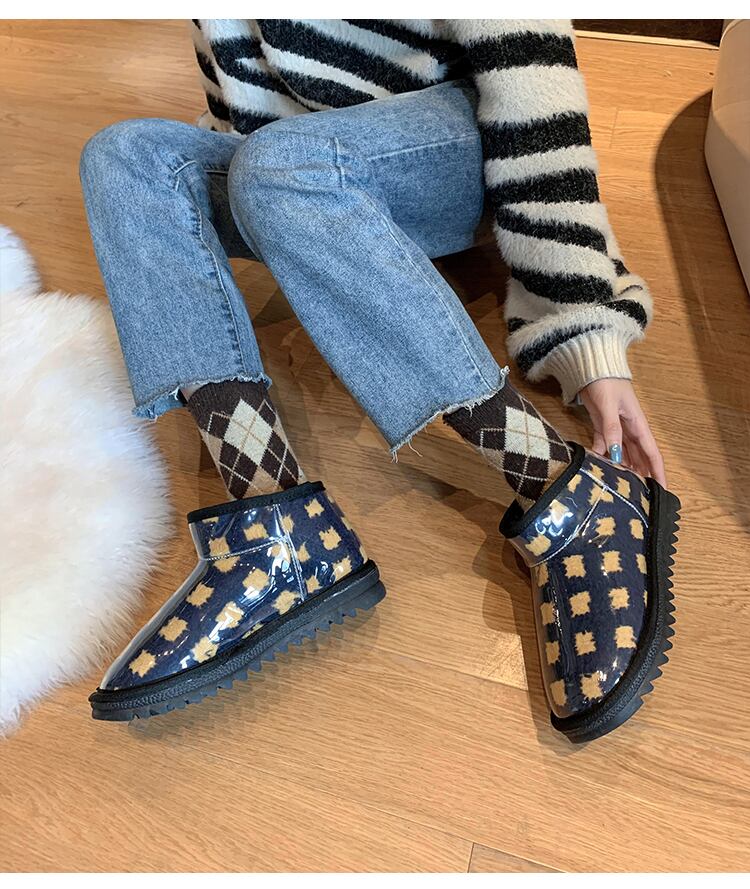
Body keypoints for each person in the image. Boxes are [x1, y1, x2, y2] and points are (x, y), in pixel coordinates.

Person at [81, 19, 678, 740]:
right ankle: (278, 526)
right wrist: (232, 210)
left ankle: (566, 483)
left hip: (453, 142)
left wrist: (585, 329)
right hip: (301, 160)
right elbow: (236, 81)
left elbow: (536, 86)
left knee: (281, 165)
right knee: (127, 157)